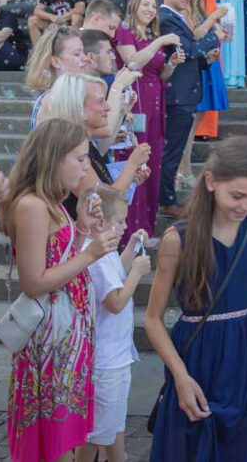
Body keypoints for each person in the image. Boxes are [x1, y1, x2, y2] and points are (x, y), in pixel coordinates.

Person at [145, 136, 247, 460]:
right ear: (210, 181)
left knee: (235, 448)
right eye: (237, 195)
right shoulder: (177, 239)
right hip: (196, 357)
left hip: (246, 355)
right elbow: (152, 319)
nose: (246, 205)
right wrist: (180, 377)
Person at [0, 118, 121, 462]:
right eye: (79, 159)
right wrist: (91, 253)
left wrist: (81, 229)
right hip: (48, 340)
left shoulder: (53, 202)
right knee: (50, 439)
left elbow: (59, 258)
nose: (85, 168)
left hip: (66, 334)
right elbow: (34, 281)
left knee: (63, 436)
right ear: (54, 158)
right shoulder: (32, 206)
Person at [74, 185, 152, 462]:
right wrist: (137, 273)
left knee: (108, 427)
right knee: (98, 433)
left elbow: (113, 273)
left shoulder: (99, 251)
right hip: (106, 361)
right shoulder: (94, 255)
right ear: (101, 221)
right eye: (120, 222)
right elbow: (115, 301)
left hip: (110, 355)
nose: (124, 226)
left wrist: (130, 248)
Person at [113, 0, 183, 241]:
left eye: (154, 6)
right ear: (134, 6)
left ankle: (146, 226)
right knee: (134, 159)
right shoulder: (125, 32)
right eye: (146, 4)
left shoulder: (152, 35)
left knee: (152, 162)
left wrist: (172, 63)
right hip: (135, 99)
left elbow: (161, 74)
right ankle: (127, 227)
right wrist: (160, 43)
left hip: (156, 100)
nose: (151, 10)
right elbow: (132, 62)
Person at [41, 73, 151, 221]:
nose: (108, 107)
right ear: (78, 108)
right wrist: (132, 165)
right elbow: (104, 204)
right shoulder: (70, 151)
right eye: (100, 102)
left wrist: (130, 178)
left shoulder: (84, 144)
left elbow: (106, 191)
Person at [158, 0, 217, 218]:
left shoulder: (175, 17)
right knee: (172, 149)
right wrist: (213, 37)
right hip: (177, 95)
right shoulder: (166, 18)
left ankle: (166, 196)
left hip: (185, 92)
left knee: (175, 147)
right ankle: (167, 199)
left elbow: (188, 56)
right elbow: (187, 49)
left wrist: (205, 60)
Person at [181, 0, 227, 173]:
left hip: (208, 63)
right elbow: (194, 36)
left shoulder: (199, 7)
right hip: (197, 67)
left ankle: (184, 168)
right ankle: (184, 169)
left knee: (195, 122)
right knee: (188, 125)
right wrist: (212, 19)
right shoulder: (186, 10)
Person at [25, 25, 88, 126]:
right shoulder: (52, 100)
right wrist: (117, 86)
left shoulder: (69, 94)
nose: (85, 58)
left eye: (83, 52)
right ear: (55, 61)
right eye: (77, 54)